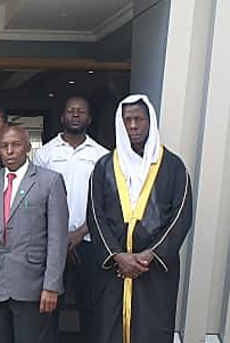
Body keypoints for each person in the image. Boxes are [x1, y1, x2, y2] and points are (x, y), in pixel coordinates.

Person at [87, 95, 193, 343]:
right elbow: (94, 214)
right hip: (113, 270)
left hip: (154, 270)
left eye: (139, 119)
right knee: (109, 329)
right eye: (127, 120)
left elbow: (180, 216)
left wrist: (149, 255)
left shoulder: (173, 166)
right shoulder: (103, 166)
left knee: (152, 331)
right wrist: (117, 255)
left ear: (150, 121)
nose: (133, 126)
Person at [0, 126, 68, 343]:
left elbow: (58, 240)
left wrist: (51, 286)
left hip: (32, 286)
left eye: (16, 145)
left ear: (28, 147)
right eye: (4, 146)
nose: (10, 151)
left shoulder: (49, 181)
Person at [33, 96, 108, 343]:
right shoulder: (44, 154)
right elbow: (38, 200)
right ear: (62, 117)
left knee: (90, 307)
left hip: (88, 241)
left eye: (81, 111)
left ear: (90, 118)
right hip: (52, 244)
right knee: (48, 307)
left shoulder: (102, 156)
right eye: (71, 111)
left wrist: (77, 235)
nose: (76, 114)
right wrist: (61, 239)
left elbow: (104, 203)